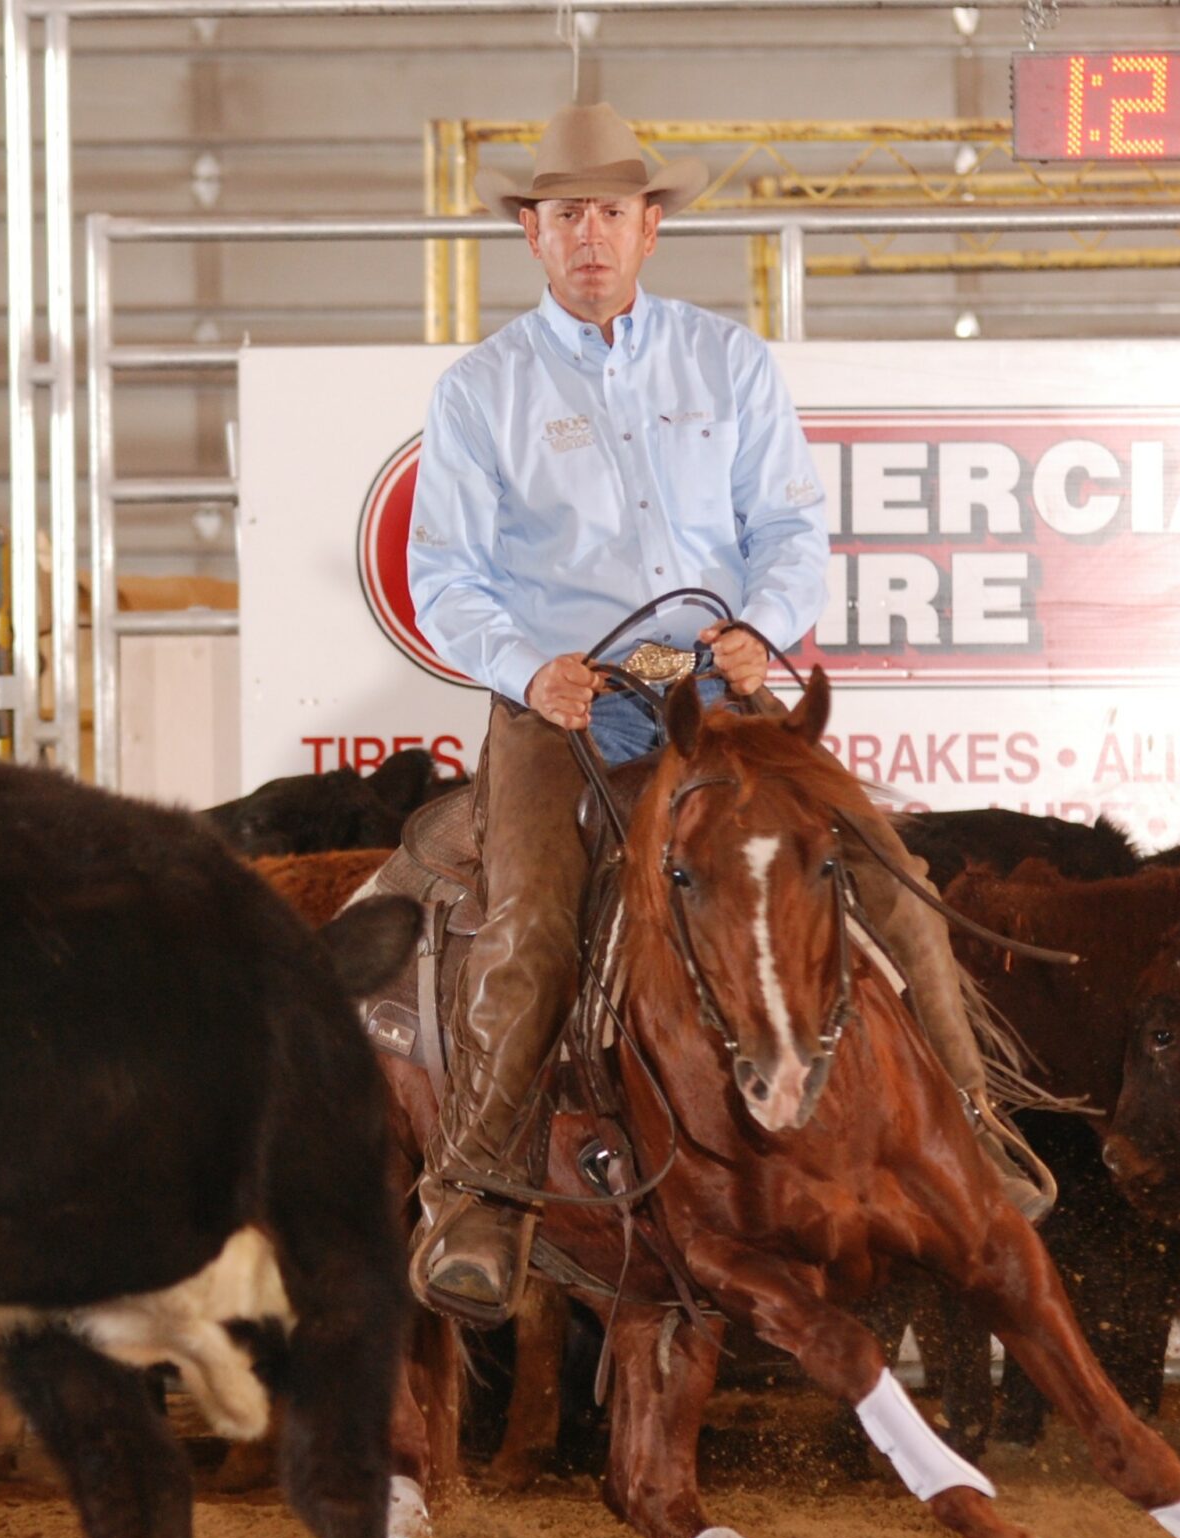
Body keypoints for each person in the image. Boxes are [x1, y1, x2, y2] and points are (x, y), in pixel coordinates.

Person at [406, 102, 1049, 1327]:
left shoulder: (728, 361)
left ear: (650, 226)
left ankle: (977, 1129)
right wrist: (528, 668)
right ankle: (478, 1187)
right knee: (534, 914)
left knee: (888, 873)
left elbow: (791, 530)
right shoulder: (481, 389)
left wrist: (762, 624)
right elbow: (445, 572)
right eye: (561, 215)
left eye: (608, 212)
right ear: (530, 236)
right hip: (564, 702)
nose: (586, 234)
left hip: (716, 691)